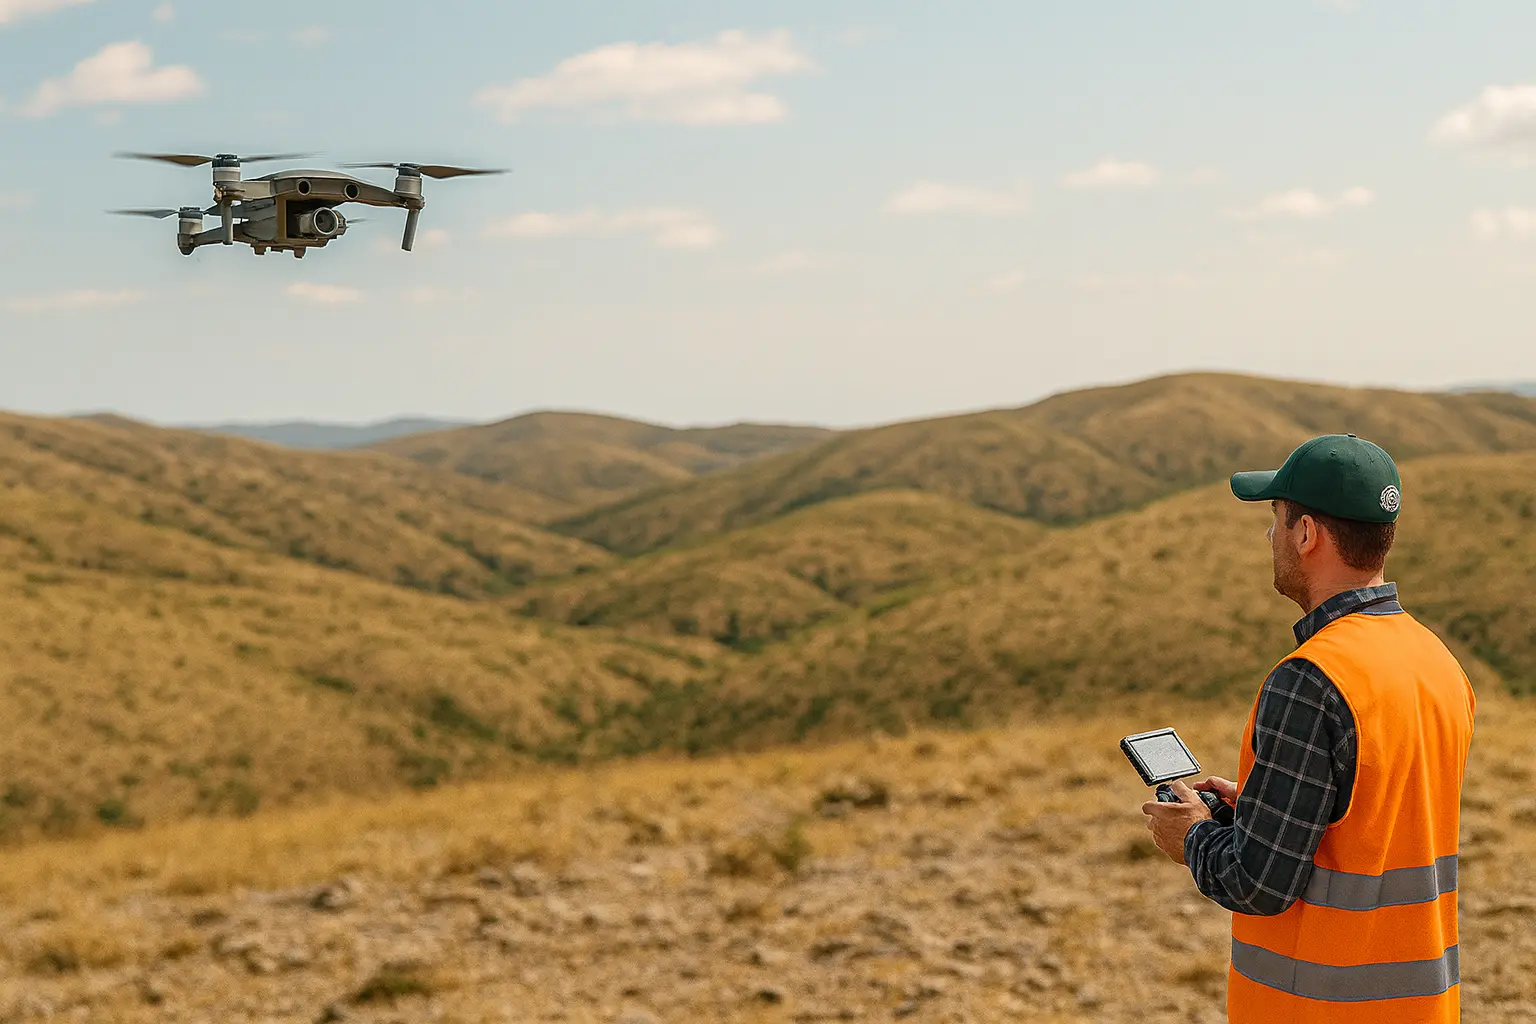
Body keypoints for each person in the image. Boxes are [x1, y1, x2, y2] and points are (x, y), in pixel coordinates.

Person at [1140, 434, 1476, 1024]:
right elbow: (1376, 820)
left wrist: (1191, 836)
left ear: (1306, 534)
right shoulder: (1435, 660)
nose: (1269, 537)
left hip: (1317, 1008)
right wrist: (1258, 813)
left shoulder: (1309, 680)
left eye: (1275, 519)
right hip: (1423, 1004)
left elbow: (1258, 883)